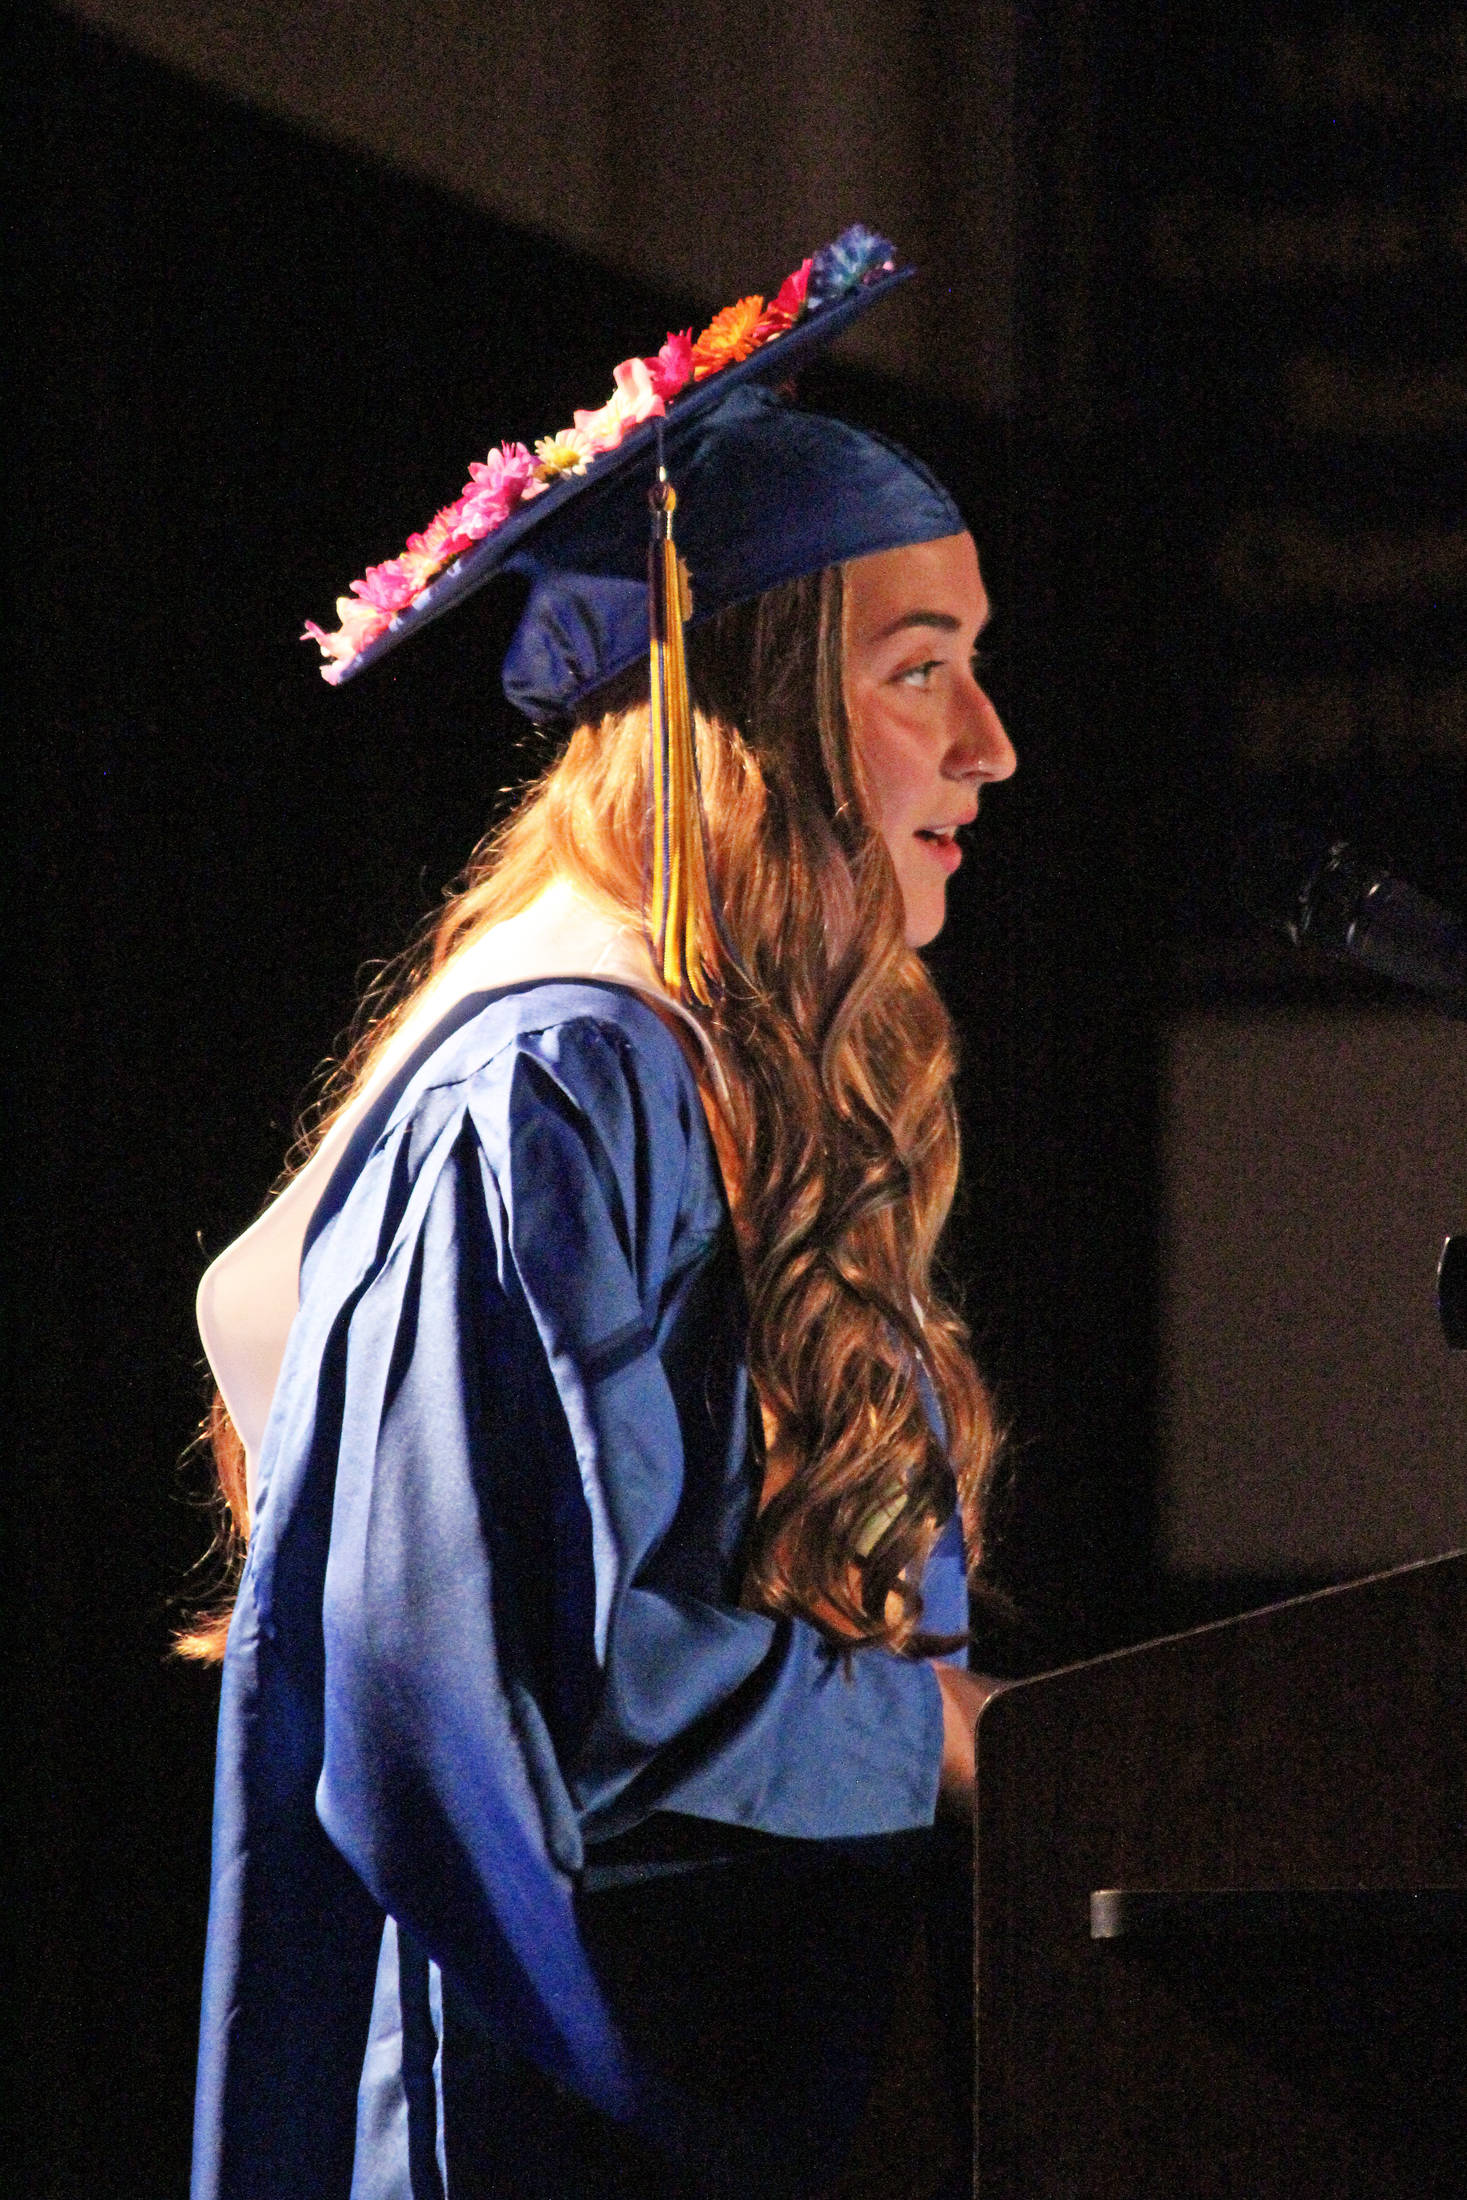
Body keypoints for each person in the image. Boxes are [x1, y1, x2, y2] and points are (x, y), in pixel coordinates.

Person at [184, 228, 1016, 2200]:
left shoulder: (702, 1069)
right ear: (755, 710)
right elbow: (466, 1696)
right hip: (560, 2104)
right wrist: (937, 1735)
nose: (990, 747)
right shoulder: (550, 1084)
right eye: (920, 673)